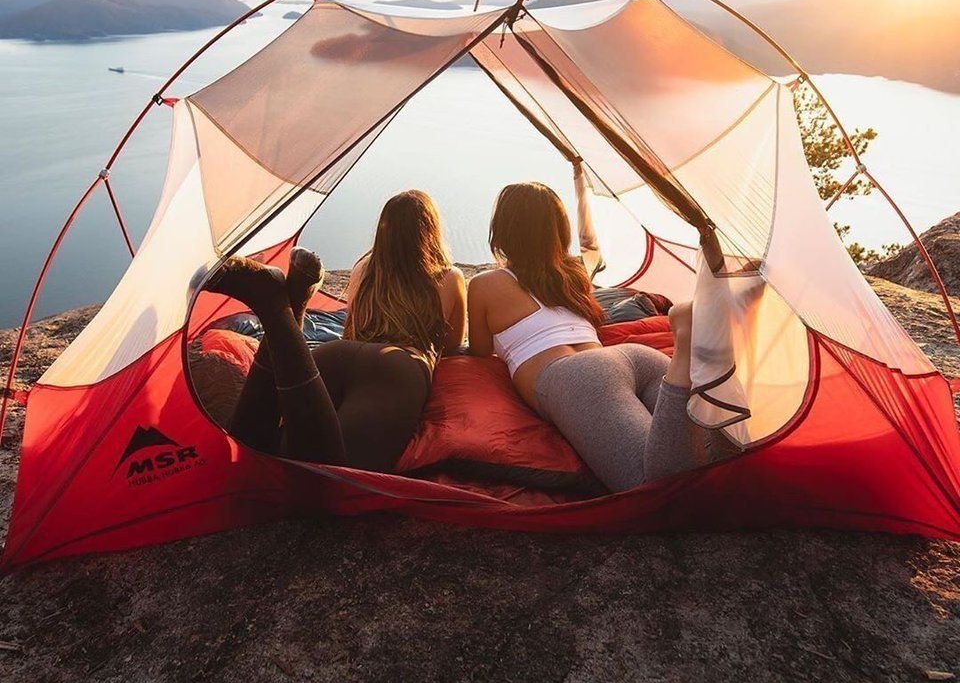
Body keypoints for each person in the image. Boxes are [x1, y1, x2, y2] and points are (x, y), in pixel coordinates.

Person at [467, 182, 736, 492]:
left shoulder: (485, 284)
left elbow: (480, 350)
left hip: (578, 376)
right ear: (558, 230)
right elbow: (589, 264)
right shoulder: (572, 274)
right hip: (634, 358)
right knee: (713, 457)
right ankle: (701, 352)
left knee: (650, 485)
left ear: (502, 230)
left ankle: (685, 342)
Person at [206, 190, 465, 471]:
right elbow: (452, 344)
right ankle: (273, 308)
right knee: (329, 470)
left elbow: (351, 330)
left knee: (252, 446)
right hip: (396, 366)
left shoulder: (364, 268)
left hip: (337, 354)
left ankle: (290, 307)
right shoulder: (448, 276)